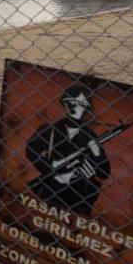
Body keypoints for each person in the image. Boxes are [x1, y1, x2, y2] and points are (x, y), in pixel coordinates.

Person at [26, 84, 110, 216]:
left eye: (82, 105)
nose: (78, 108)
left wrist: (97, 153)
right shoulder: (49, 130)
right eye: (74, 103)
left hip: (79, 194)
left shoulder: (89, 135)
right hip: (52, 187)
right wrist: (51, 167)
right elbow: (30, 150)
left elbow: (104, 173)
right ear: (66, 105)